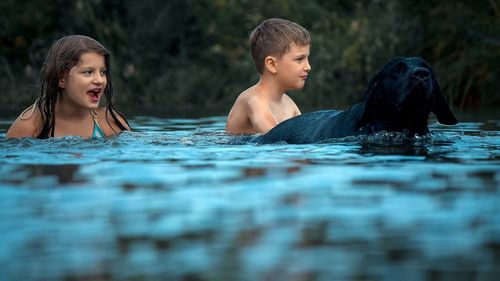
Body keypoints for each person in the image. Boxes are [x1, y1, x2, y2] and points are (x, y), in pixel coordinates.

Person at [6, 35, 130, 139]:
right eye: (88, 72)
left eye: (103, 72)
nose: (99, 80)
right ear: (62, 79)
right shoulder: (30, 124)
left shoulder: (109, 122)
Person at [225, 18, 311, 135]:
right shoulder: (254, 99)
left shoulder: (289, 104)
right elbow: (274, 137)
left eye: (307, 58)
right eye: (299, 59)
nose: (308, 66)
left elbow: (305, 136)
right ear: (272, 65)